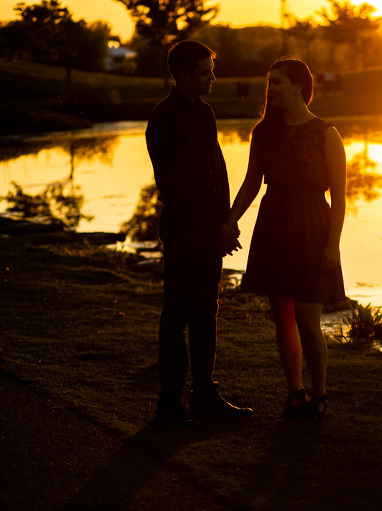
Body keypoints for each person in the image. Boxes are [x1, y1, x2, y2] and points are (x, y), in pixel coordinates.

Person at [228, 57, 347, 423]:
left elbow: (340, 197)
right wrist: (229, 221)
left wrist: (333, 244)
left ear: (298, 86)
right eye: (270, 82)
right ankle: (295, 393)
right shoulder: (263, 132)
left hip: (313, 225)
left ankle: (320, 395)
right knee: (283, 316)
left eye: (277, 82)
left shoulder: (326, 133)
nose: (271, 89)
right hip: (274, 223)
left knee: (309, 319)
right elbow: (252, 182)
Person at [146, 40, 253, 426]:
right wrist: (214, 226)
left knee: (207, 312)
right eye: (206, 72)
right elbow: (175, 184)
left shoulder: (205, 112)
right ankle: (169, 404)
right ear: (184, 75)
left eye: (212, 70)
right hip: (184, 231)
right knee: (178, 313)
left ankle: (205, 394)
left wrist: (227, 222)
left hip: (210, 231)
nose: (213, 77)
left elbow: (217, 171)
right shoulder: (163, 117)